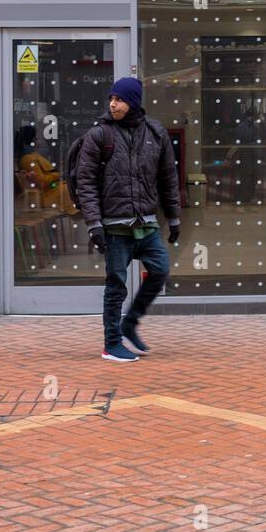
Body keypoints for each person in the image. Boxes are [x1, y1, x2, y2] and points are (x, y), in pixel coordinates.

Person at [75, 77, 181, 363]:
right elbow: (85, 182)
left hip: (145, 223)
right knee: (116, 285)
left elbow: (168, 178)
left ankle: (129, 324)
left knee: (160, 270)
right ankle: (111, 344)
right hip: (114, 226)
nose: (113, 104)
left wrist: (173, 217)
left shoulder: (155, 133)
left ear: (133, 101)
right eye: (111, 98)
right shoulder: (100, 135)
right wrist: (94, 223)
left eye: (119, 99)